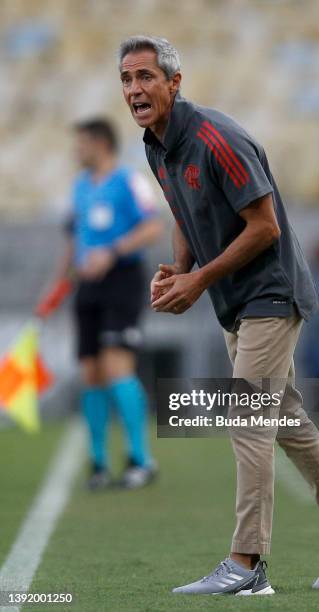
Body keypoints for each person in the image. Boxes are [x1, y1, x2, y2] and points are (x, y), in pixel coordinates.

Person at [117, 35, 319, 594]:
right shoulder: (154, 143)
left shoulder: (217, 137)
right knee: (284, 420)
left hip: (271, 291)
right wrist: (179, 266)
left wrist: (198, 279)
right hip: (235, 301)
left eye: (145, 76)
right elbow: (181, 208)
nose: (135, 89)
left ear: (175, 82)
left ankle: (246, 566)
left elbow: (265, 226)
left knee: (247, 418)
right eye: (126, 79)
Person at [40, 118, 163, 490]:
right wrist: (56, 287)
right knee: (91, 372)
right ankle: (98, 463)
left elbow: (153, 226)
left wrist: (112, 251)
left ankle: (140, 459)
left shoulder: (130, 181)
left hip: (121, 282)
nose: (76, 151)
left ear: (100, 143)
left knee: (117, 367)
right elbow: (73, 243)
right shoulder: (79, 188)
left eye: (81, 144)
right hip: (87, 288)